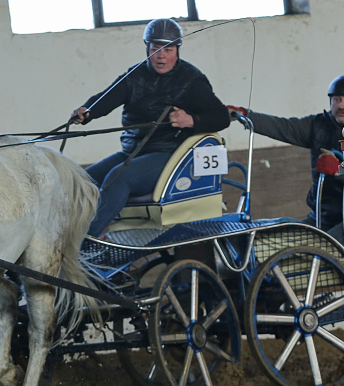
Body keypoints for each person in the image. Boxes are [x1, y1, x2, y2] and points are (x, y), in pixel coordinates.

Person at [70, 18, 230, 238]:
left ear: (177, 50)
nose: (161, 55)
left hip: (168, 154)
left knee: (120, 177)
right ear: (147, 49)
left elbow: (221, 117)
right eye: (156, 49)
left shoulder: (191, 80)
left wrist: (190, 120)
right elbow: (106, 98)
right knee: (80, 180)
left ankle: (84, 242)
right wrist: (87, 110)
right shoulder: (134, 75)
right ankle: (63, 237)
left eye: (168, 49)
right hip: (132, 152)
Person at [226, 74, 344, 250]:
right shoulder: (319, 124)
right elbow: (282, 127)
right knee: (280, 241)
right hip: (323, 215)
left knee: (320, 251)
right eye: (336, 100)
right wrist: (246, 115)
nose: (341, 105)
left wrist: (339, 170)